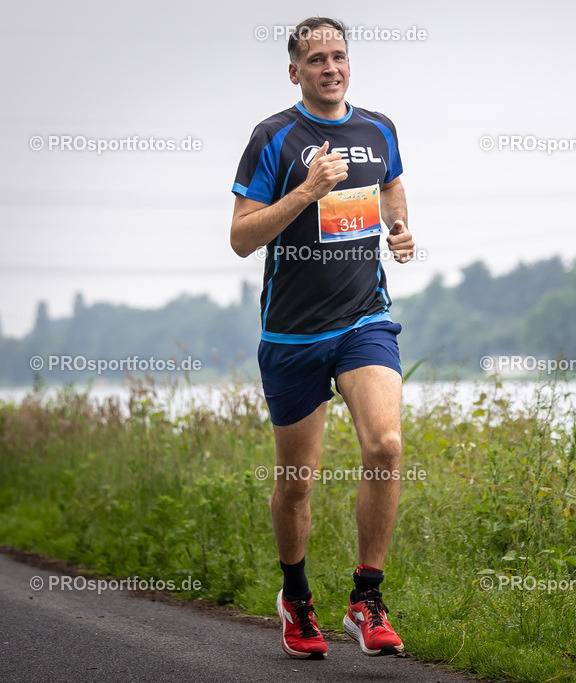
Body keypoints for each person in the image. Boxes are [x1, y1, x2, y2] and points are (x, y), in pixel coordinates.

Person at [229, 16, 414, 658]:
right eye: (315, 60)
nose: (330, 68)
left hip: (364, 318)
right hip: (292, 333)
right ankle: (296, 597)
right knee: (298, 481)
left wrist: (400, 230)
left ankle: (366, 600)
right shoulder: (273, 137)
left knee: (386, 445)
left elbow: (391, 185)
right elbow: (242, 237)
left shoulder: (378, 128)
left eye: (338, 56)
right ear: (294, 71)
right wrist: (307, 191)